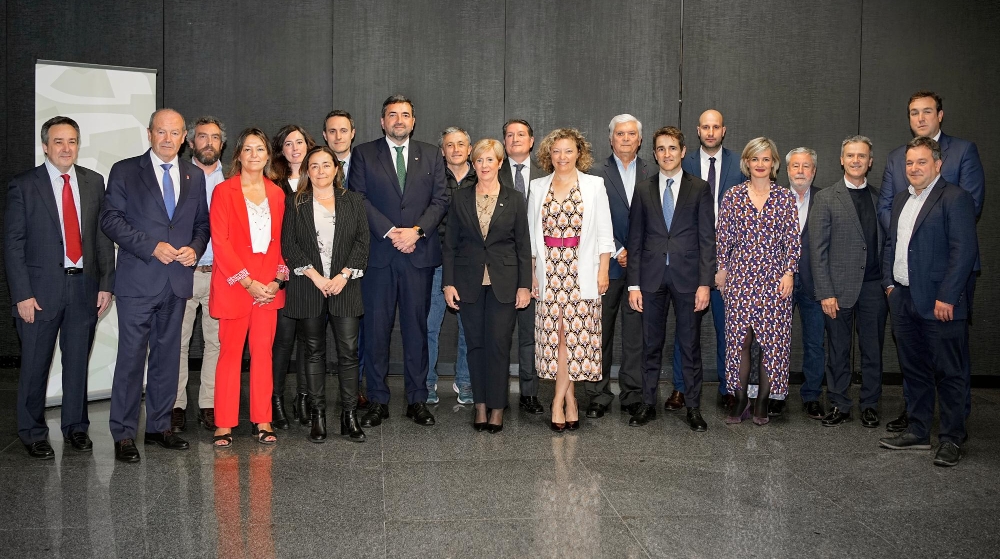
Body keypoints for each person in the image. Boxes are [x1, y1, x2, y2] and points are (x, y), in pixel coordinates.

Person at [101, 108, 210, 463]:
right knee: (131, 359)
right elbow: (110, 220)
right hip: (138, 281)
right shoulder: (125, 170)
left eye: (175, 133)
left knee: (167, 358)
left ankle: (159, 427)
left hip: (177, 282)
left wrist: (194, 249)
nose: (167, 139)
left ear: (184, 139)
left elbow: (202, 224)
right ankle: (123, 434)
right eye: (161, 132)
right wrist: (151, 246)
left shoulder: (194, 174)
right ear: (149, 134)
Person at [5, 116, 115, 459]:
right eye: (58, 141)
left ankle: (76, 428)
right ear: (45, 146)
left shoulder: (94, 182)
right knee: (35, 366)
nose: (66, 148)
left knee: (78, 364)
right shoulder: (23, 185)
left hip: (84, 288)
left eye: (72, 141)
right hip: (38, 294)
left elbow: (101, 239)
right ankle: (33, 431)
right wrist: (22, 294)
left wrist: (106, 285)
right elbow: (13, 245)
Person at [878, 90, 984, 434]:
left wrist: (949, 295)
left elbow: (963, 248)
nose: (913, 168)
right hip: (904, 294)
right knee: (915, 368)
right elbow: (892, 243)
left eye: (921, 162)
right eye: (909, 163)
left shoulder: (956, 196)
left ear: (937, 165)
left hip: (940, 294)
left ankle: (953, 436)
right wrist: (890, 285)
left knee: (949, 370)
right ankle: (919, 430)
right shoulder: (899, 201)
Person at [349, 94, 447, 427]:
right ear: (382, 121)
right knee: (376, 331)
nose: (399, 120)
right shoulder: (363, 154)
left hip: (418, 256)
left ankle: (417, 399)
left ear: (414, 121)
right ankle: (377, 400)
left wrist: (416, 231)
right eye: (393, 115)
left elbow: (440, 199)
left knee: (417, 331)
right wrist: (391, 232)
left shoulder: (432, 154)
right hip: (379, 256)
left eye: (405, 114)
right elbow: (357, 199)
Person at [625, 126, 715, 432]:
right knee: (650, 345)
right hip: (650, 279)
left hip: (689, 280)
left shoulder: (699, 189)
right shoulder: (643, 189)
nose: (667, 154)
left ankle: (693, 407)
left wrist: (705, 283)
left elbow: (707, 239)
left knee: (689, 346)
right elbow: (634, 239)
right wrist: (633, 284)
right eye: (661, 149)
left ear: (683, 150)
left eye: (672, 148)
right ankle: (648, 404)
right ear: (654, 153)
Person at [527, 128, 614, 431]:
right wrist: (532, 274)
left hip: (582, 270)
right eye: (556, 151)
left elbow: (605, 233)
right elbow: (530, 237)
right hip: (549, 271)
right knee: (558, 339)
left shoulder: (594, 185)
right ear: (548, 155)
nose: (562, 157)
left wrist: (604, 270)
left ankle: (558, 402)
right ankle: (569, 401)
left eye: (568, 151)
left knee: (572, 341)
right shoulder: (538, 187)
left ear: (579, 153)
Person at [443, 138, 531, 433]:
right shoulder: (460, 197)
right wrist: (448, 283)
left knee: (498, 346)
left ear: (499, 163)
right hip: (468, 284)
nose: (484, 166)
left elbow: (522, 246)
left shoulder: (515, 199)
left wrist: (524, 286)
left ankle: (497, 407)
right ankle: (479, 404)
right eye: (479, 160)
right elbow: (450, 245)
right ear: (473, 163)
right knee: (475, 346)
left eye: (489, 160)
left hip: (503, 284)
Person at [281, 146, 369, 443]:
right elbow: (289, 246)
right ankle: (318, 417)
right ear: (307, 170)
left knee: (348, 353)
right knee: (313, 353)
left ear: (336, 168)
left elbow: (362, 243)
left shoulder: (353, 200)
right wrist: (318, 278)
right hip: (309, 287)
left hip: (345, 287)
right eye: (314, 166)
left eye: (326, 165)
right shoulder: (295, 202)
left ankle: (349, 416)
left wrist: (343, 275)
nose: (320, 171)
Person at [208, 127, 288, 447]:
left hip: (268, 286)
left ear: (268, 156)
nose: (254, 155)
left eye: (260, 149)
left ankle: (263, 420)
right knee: (229, 355)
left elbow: (283, 242)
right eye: (248, 149)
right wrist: (247, 282)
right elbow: (221, 242)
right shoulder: (224, 192)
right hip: (235, 284)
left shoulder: (278, 194)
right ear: (238, 154)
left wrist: (276, 281)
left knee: (263, 355)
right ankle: (224, 423)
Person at [716, 137, 799, 426]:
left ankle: (763, 402)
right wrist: (722, 270)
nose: (760, 164)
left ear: (773, 163)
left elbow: (792, 240)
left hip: (775, 279)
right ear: (747, 163)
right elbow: (723, 239)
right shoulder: (733, 196)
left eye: (766, 159)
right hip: (740, 277)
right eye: (755, 159)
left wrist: (789, 272)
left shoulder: (785, 197)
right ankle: (740, 401)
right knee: (742, 341)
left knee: (770, 343)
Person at [810, 137, 887, 428]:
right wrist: (825, 292)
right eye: (850, 156)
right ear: (842, 160)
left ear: (870, 161)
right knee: (839, 351)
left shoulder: (881, 198)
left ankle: (869, 404)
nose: (856, 160)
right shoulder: (827, 198)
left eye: (862, 156)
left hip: (874, 288)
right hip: (837, 290)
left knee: (872, 350)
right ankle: (840, 404)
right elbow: (817, 251)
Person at [678, 109, 748, 410]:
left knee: (728, 328)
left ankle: (728, 386)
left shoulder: (739, 164)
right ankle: (680, 388)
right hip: (692, 258)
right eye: (705, 127)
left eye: (715, 127)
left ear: (724, 130)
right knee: (686, 329)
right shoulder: (686, 163)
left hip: (731, 260)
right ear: (697, 130)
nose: (710, 132)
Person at [586, 114, 652, 419]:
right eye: (620, 134)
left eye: (631, 134)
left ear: (639, 140)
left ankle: (632, 393)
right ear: (610, 139)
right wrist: (617, 249)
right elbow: (590, 218)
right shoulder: (594, 173)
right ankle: (598, 394)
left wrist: (635, 252)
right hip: (606, 265)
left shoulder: (654, 172)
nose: (625, 139)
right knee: (601, 333)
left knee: (636, 334)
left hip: (644, 267)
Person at [174, 116, 226, 433]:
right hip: (183, 272)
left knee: (216, 343)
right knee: (176, 344)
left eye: (215, 137)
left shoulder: (233, 180)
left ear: (222, 144)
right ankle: (175, 405)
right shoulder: (176, 176)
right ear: (190, 142)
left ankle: (209, 404)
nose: (209, 142)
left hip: (221, 274)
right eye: (202, 137)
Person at [269, 125, 316, 429]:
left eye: (300, 142)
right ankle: (274, 400)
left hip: (312, 274)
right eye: (288, 143)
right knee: (283, 341)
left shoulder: (321, 181)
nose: (295, 148)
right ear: (281, 150)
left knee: (310, 342)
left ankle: (303, 397)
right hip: (282, 273)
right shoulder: (271, 184)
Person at [322, 109, 369, 409]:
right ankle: (313, 393)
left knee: (356, 331)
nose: (338, 136)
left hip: (357, 261)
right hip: (320, 264)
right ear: (325, 135)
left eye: (344, 130)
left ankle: (354, 388)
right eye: (332, 131)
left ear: (353, 132)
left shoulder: (367, 162)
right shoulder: (315, 166)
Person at [499, 118, 546, 415]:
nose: (515, 139)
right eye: (509, 135)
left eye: (521, 135)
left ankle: (529, 393)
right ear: (504, 141)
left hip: (539, 266)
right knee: (499, 335)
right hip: (501, 266)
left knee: (531, 334)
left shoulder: (548, 174)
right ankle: (496, 393)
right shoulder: (491, 172)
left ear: (531, 141)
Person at [427, 127, 475, 405]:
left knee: (468, 328)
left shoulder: (481, 175)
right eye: (449, 145)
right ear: (442, 150)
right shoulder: (432, 178)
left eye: (461, 144)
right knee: (430, 326)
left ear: (469, 149)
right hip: (435, 260)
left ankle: (465, 381)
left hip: (469, 263)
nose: (455, 149)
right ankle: (428, 382)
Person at [782, 147, 825, 420]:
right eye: (795, 166)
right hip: (779, 283)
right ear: (787, 170)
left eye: (806, 166)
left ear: (814, 171)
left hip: (813, 282)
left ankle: (811, 396)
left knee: (814, 343)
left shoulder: (826, 199)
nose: (800, 171)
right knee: (776, 342)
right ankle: (776, 394)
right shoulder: (774, 198)